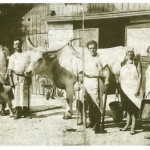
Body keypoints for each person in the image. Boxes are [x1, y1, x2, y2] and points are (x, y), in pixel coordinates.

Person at [83, 40, 110, 133]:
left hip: (96, 81)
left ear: (96, 48)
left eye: (94, 48)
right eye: (90, 48)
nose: (92, 50)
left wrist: (106, 80)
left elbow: (107, 69)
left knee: (96, 103)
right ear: (88, 49)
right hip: (87, 81)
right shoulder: (86, 57)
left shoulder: (100, 57)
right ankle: (92, 121)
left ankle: (97, 125)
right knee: (89, 103)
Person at [119, 47, 143, 135]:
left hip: (134, 88)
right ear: (126, 53)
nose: (130, 54)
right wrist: (119, 88)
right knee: (127, 107)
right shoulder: (122, 63)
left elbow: (140, 76)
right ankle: (127, 124)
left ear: (134, 53)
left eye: (132, 52)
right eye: (128, 52)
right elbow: (120, 77)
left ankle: (133, 126)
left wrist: (137, 88)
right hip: (124, 89)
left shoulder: (137, 63)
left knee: (134, 107)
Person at [8, 38, 31, 119]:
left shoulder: (26, 55)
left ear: (21, 44)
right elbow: (10, 70)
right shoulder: (12, 57)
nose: (17, 45)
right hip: (16, 77)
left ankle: (26, 112)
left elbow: (30, 67)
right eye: (16, 44)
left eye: (19, 43)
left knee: (25, 94)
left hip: (25, 77)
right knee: (17, 94)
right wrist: (11, 81)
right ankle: (18, 112)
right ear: (13, 46)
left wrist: (29, 77)